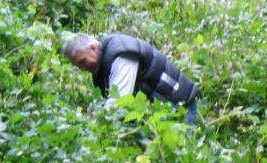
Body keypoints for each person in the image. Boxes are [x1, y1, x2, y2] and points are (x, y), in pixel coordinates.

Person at [62, 33, 199, 125]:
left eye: (82, 62)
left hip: (181, 107)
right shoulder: (102, 66)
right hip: (164, 112)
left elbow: (119, 101)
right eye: (78, 66)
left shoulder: (121, 55)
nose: (82, 68)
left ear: (93, 47)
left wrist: (92, 125)